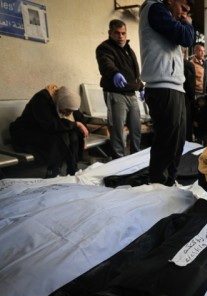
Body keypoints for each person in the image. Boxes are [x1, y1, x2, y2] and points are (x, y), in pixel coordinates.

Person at [139, 0, 195, 186]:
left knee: (177, 141)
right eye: (182, 8)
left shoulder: (167, 16)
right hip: (162, 86)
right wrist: (188, 23)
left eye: (187, 13)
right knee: (167, 141)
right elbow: (187, 38)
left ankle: (169, 182)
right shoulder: (155, 9)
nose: (183, 15)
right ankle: (157, 185)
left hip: (174, 86)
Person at [10, 85, 89, 178]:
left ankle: (72, 170)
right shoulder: (41, 99)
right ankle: (53, 171)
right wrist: (76, 124)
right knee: (59, 136)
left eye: (71, 111)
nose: (69, 114)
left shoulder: (66, 100)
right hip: (25, 133)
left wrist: (82, 137)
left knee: (73, 134)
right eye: (67, 110)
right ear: (61, 103)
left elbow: (80, 120)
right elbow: (50, 124)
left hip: (44, 131)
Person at [96, 19, 144, 159]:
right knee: (117, 132)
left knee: (136, 130)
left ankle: (136, 161)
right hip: (115, 94)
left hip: (131, 94)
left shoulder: (129, 50)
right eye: (117, 33)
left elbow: (135, 72)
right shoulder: (104, 48)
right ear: (110, 33)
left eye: (123, 33)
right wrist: (115, 73)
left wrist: (141, 87)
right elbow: (106, 64)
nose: (121, 37)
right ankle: (119, 163)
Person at [183, 47, 196, 142]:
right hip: (185, 98)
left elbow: (190, 84)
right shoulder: (188, 65)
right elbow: (191, 85)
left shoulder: (188, 65)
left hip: (184, 98)